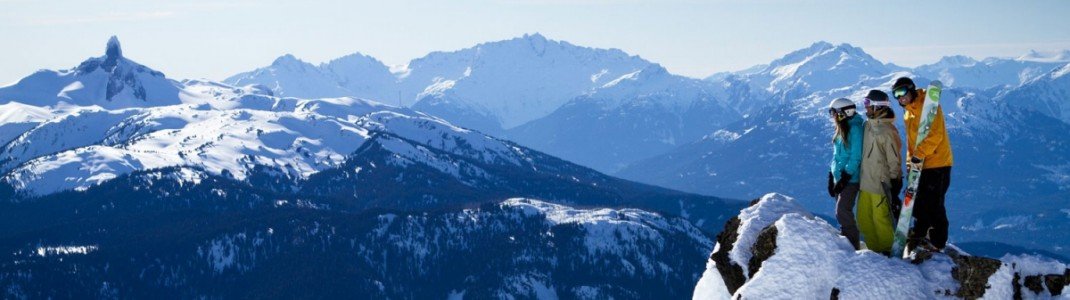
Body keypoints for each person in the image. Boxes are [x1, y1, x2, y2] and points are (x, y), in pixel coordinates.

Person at [892, 77, 954, 252]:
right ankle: (920, 234)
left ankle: (937, 242)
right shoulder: (908, 112)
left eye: (902, 92)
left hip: (937, 163)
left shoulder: (928, 107)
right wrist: (911, 162)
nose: (900, 98)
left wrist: (919, 155)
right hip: (920, 163)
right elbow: (912, 143)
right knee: (918, 202)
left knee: (934, 202)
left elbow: (936, 135)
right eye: (896, 94)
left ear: (911, 90)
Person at [857, 90, 901, 255]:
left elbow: (894, 158)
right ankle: (874, 251)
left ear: (878, 107)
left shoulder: (887, 130)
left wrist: (896, 179)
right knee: (864, 220)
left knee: (881, 220)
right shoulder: (868, 125)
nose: (865, 108)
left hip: (879, 183)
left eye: (868, 104)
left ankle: (888, 251)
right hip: (865, 182)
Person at [827, 97, 864, 250]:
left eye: (834, 112)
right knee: (841, 213)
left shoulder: (855, 129)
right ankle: (846, 241)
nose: (833, 116)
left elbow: (856, 156)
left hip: (851, 179)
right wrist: (832, 176)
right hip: (840, 178)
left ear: (844, 112)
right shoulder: (842, 127)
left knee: (842, 211)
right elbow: (837, 156)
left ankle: (852, 246)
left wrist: (846, 177)